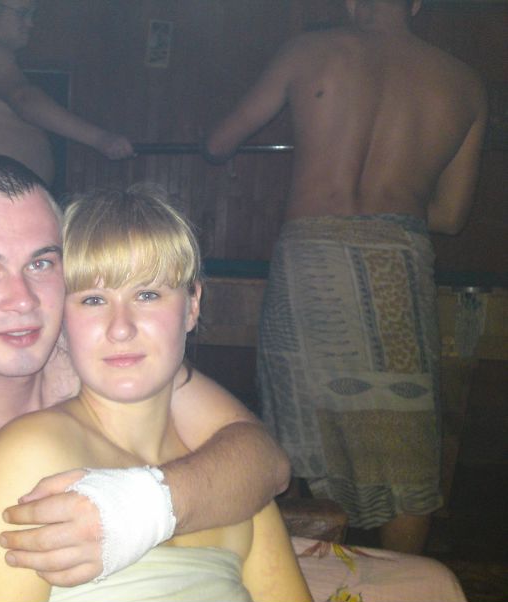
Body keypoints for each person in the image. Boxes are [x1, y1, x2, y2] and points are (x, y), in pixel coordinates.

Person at [0, 151, 291, 602]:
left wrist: (141, 509)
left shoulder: (86, 356)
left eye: (41, 263)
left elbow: (264, 461)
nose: (22, 300)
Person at [203, 0, 488, 555]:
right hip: (398, 263)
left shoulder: (308, 51)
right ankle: (401, 583)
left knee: (294, 435)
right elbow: (451, 216)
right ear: (416, 2)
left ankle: (290, 576)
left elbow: (218, 144)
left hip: (310, 260)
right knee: (406, 445)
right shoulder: (464, 83)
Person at [0, 184, 313, 602]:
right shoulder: (26, 461)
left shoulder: (231, 474)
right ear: (61, 315)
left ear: (192, 305)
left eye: (147, 294)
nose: (120, 328)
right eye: (93, 299)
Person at [0, 0, 134, 186]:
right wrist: (101, 139)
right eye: (23, 14)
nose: (30, 24)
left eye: (32, 15)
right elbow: (24, 98)